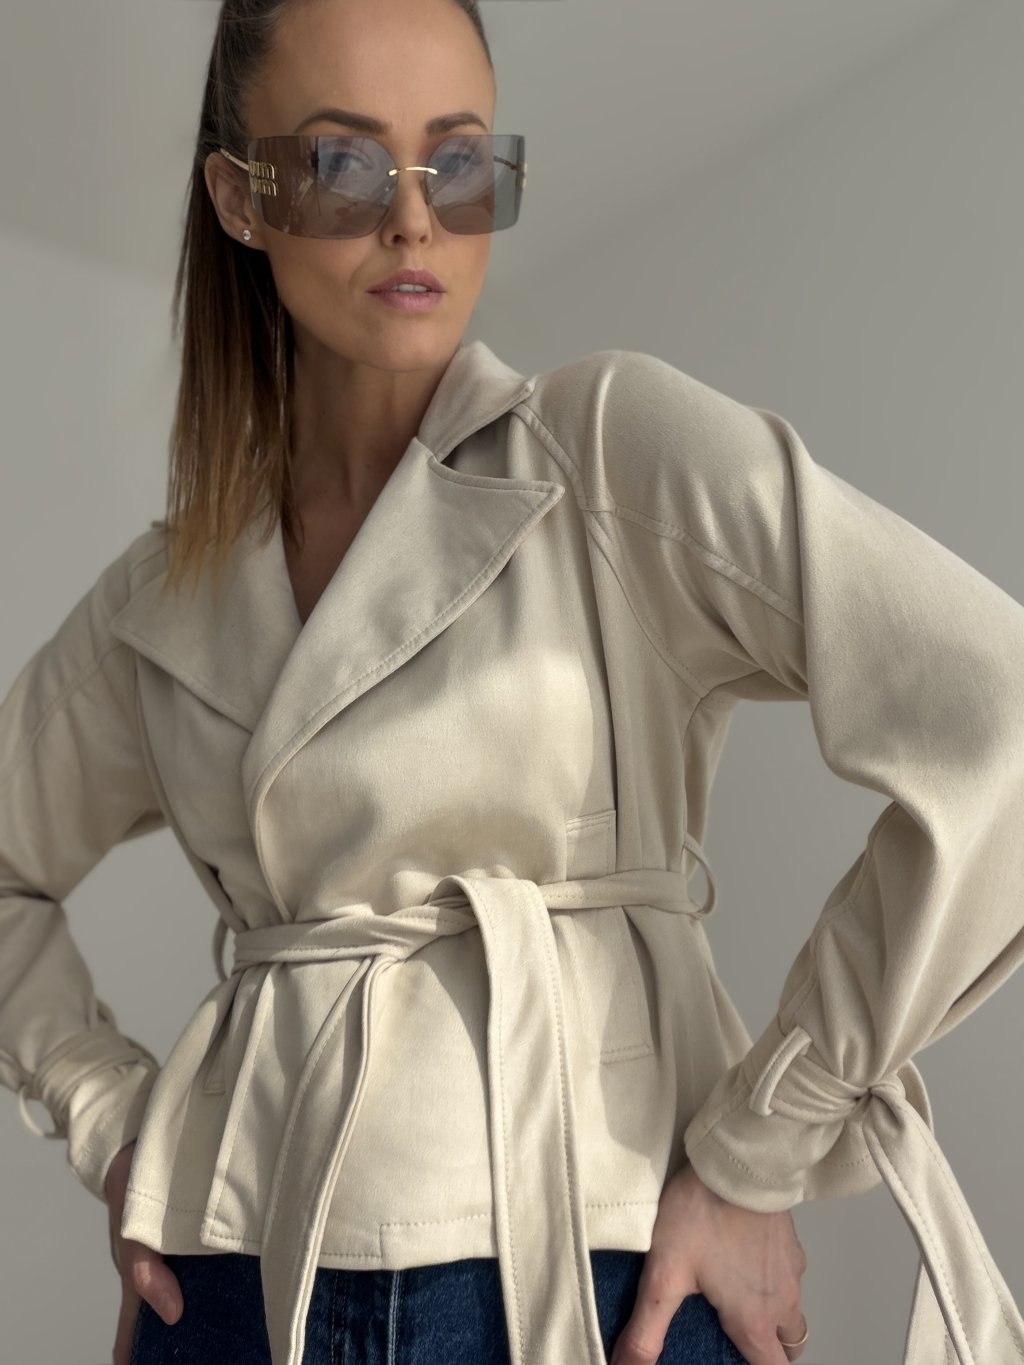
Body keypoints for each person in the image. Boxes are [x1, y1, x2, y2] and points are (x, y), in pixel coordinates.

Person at [3, 1, 1024, 1363]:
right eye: (346, 163)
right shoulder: (170, 590)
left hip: (592, 1264)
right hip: (238, 1272)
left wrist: (761, 1141)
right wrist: (114, 1120)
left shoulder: (605, 451)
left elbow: (999, 714)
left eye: (461, 161)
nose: (415, 220)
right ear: (240, 198)